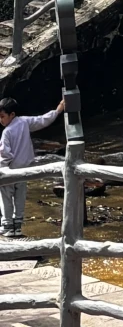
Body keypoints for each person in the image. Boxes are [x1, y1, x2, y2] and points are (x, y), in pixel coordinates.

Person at [0, 95, 65, 236]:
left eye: (2, 116)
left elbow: (5, 154)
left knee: (6, 197)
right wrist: (57, 111)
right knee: (20, 197)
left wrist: (1, 167)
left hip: (9, 171)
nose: (1, 120)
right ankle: (17, 226)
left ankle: (7, 226)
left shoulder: (7, 132)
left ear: (12, 115)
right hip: (24, 170)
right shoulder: (24, 122)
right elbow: (42, 120)